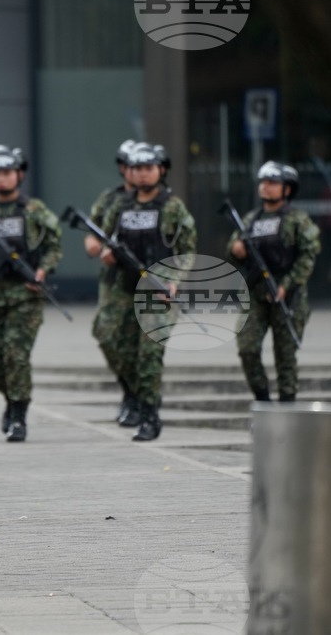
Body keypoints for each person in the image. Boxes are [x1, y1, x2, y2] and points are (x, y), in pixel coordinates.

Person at [97, 143, 197, 441]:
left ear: (161, 170)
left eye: (148, 168)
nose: (142, 174)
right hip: (124, 287)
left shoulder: (172, 206)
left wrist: (175, 280)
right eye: (137, 169)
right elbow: (107, 237)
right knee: (116, 344)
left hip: (158, 290)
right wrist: (106, 253)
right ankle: (138, 397)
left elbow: (186, 250)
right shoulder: (121, 205)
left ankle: (150, 416)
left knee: (149, 354)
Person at [0, 145, 62, 442]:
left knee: (16, 356)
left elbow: (53, 247)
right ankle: (11, 400)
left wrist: (43, 271)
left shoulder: (34, 211)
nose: (1, 179)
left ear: (19, 174)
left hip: (25, 295)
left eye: (6, 173)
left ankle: (19, 416)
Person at [227, 161, 320, 403]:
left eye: (272, 183)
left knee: (285, 356)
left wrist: (286, 285)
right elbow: (233, 248)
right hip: (257, 294)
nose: (265, 187)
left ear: (286, 189)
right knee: (247, 348)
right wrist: (236, 250)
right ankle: (263, 399)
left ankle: (287, 405)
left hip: (288, 297)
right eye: (263, 182)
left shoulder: (297, 220)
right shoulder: (250, 219)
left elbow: (308, 256)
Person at [86, 140, 140, 425]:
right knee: (106, 335)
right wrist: (96, 247)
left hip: (147, 281)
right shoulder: (110, 199)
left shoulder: (163, 201)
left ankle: (141, 399)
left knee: (138, 343)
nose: (137, 172)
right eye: (131, 166)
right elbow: (91, 233)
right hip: (114, 280)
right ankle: (130, 391)